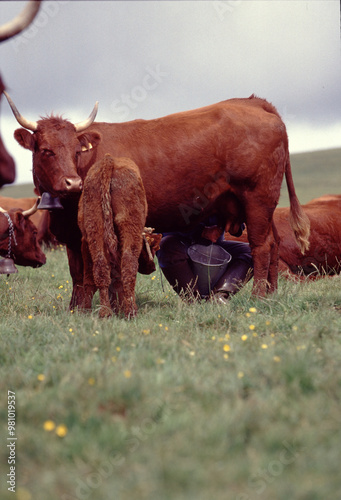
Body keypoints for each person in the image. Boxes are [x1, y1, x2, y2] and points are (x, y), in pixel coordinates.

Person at [156, 216, 253, 304]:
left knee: (252, 253)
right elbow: (168, 222)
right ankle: (192, 299)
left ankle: (219, 296)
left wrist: (235, 226)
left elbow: (237, 227)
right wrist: (201, 231)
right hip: (182, 245)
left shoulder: (222, 198)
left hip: (214, 248)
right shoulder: (184, 199)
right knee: (166, 245)